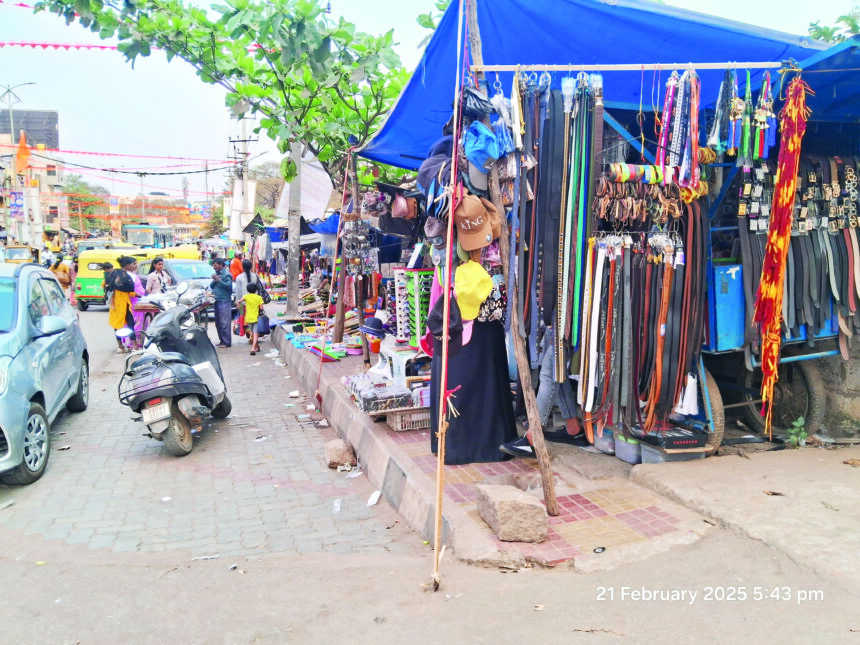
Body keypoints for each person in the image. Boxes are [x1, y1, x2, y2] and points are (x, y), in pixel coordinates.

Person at [107, 258, 138, 353]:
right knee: (130, 324)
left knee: (117, 325)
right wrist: (140, 295)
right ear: (127, 265)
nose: (135, 266)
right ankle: (134, 346)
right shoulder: (126, 276)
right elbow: (131, 292)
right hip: (123, 303)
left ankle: (120, 346)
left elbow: (104, 284)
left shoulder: (112, 274)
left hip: (114, 304)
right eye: (133, 264)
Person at [210, 258, 233, 348]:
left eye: (215, 265)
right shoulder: (216, 274)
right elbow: (211, 286)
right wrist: (214, 280)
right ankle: (222, 340)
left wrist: (218, 280)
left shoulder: (226, 274)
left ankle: (227, 342)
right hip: (217, 300)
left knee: (224, 322)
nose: (214, 267)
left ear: (220, 265)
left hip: (224, 300)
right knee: (218, 322)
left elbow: (228, 286)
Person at [239, 282, 265, 355]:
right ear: (256, 290)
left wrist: (240, 309)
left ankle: (256, 346)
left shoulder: (246, 296)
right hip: (255, 318)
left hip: (248, 318)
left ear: (248, 290)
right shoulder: (259, 298)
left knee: (252, 333)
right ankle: (253, 348)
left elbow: (239, 301)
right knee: (255, 334)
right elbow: (261, 308)